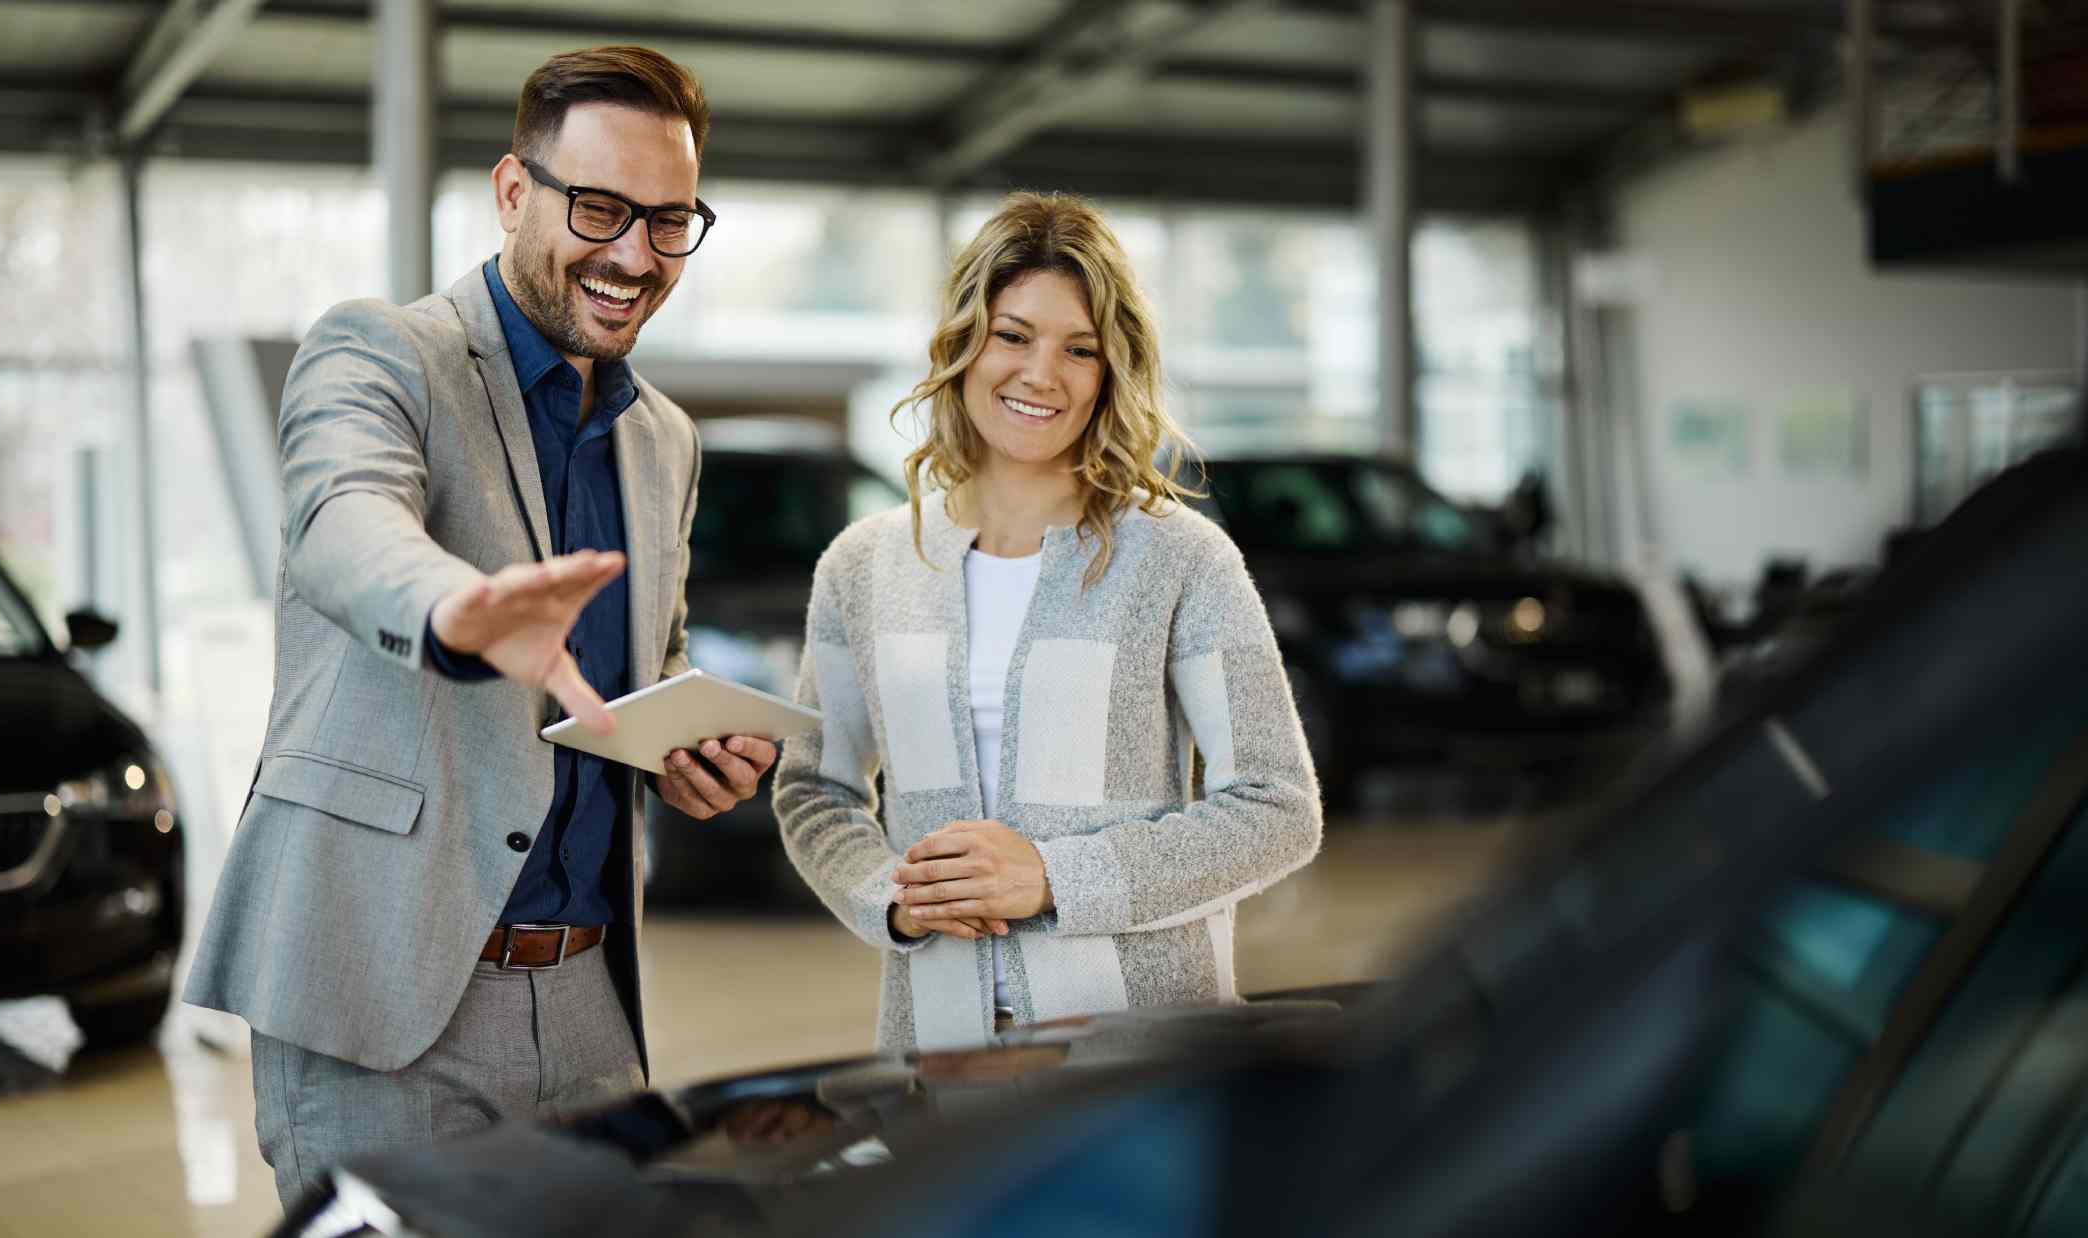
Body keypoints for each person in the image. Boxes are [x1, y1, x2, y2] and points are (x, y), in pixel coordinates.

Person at [184, 45, 777, 1204]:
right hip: (385, 992)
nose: (634, 255)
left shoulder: (664, 437)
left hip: (595, 998)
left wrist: (683, 750)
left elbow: (641, 664)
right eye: (600, 208)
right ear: (513, 192)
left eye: (669, 221)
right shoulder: (380, 351)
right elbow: (345, 522)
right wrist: (458, 610)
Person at [771, 192, 1323, 1051]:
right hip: (937, 1046)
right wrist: (890, 897)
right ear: (962, 343)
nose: (1041, 374)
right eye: (1013, 335)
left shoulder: (1180, 561)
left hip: (1141, 1051)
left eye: (1080, 350)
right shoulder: (863, 566)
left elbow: (1278, 808)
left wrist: (1056, 876)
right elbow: (815, 790)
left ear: (1112, 372)